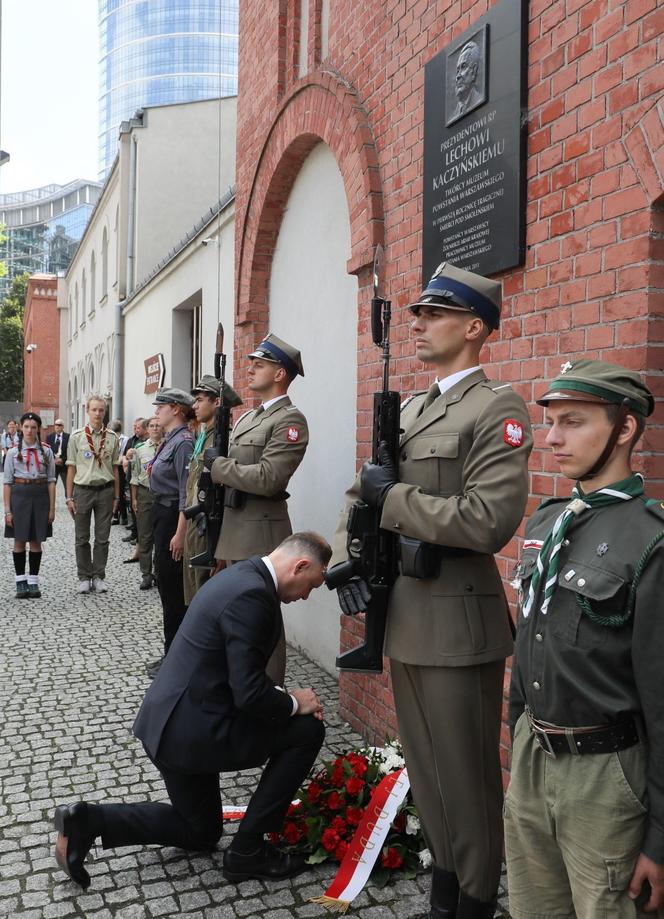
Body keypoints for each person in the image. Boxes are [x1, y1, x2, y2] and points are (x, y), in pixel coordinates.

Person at [331, 262, 532, 919]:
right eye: (417, 313)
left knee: (467, 778)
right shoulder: (413, 407)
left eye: (435, 313)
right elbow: (362, 493)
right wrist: (345, 556)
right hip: (409, 617)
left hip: (458, 623)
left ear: (475, 328)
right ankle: (444, 897)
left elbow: (486, 520)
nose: (418, 322)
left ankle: (476, 903)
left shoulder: (495, 407)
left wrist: (395, 499)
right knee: (427, 770)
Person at [52, 532, 330, 890]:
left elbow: (229, 672)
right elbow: (248, 693)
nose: (307, 595)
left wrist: (281, 697)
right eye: (312, 585)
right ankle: (248, 851)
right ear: (301, 565)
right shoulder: (254, 596)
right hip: (194, 731)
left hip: (168, 726)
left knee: (201, 831)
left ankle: (88, 821)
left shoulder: (240, 574)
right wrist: (295, 703)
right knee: (307, 731)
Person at [506, 360, 664, 918]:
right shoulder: (547, 523)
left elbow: (661, 700)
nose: (552, 438)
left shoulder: (649, 540)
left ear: (624, 429)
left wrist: (660, 840)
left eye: (572, 422)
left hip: (605, 775)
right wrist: (519, 733)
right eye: (551, 421)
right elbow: (530, 637)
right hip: (533, 756)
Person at [205, 333, 309, 685]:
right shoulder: (249, 417)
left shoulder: (290, 421)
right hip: (235, 532)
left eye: (259, 364)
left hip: (260, 536)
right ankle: (242, 692)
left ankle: (269, 695)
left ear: (280, 373)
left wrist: (217, 467)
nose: (250, 369)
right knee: (237, 621)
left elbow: (269, 478)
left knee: (262, 622)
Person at [148, 388, 195, 675]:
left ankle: (177, 660)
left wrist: (180, 534)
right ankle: (171, 654)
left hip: (172, 520)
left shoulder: (183, 443)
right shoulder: (171, 440)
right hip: (161, 514)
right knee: (166, 587)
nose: (156, 411)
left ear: (176, 409)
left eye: (161, 406)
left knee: (174, 591)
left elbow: (185, 494)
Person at [184, 375, 242, 605]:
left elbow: (225, 494)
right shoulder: (203, 437)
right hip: (196, 523)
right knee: (194, 594)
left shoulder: (223, 441)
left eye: (199, 400)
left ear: (216, 402)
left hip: (209, 528)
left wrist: (220, 546)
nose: (194, 406)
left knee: (206, 598)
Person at [66, 395, 121, 595]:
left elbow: (115, 470)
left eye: (101, 410)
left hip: (105, 491)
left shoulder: (113, 438)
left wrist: (116, 497)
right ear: (87, 411)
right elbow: (71, 469)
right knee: (81, 537)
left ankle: (98, 576)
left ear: (105, 412)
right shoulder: (77, 437)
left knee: (102, 537)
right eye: (94, 410)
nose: (98, 413)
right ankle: (83, 576)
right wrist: (69, 497)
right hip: (82, 491)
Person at [3, 412, 56, 598]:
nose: (29, 430)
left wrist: (52, 508)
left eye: (33, 427)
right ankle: (20, 582)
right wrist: (7, 511)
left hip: (40, 497)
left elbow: (51, 480)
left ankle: (33, 581)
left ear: (38, 429)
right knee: (19, 540)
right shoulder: (12, 452)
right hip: (20, 497)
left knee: (36, 540)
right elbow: (7, 482)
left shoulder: (47, 451)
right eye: (26, 426)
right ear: (21, 427)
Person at [130, 417, 162, 590]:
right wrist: (134, 499)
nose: (155, 428)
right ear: (147, 429)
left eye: (158, 425)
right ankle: (146, 574)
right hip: (144, 493)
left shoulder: (168, 447)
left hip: (163, 495)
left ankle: (159, 572)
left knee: (162, 535)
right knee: (145, 535)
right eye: (152, 425)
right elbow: (135, 477)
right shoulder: (139, 450)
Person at [451, 41, 483, 121]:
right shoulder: (453, 115)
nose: (458, 76)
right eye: (458, 70)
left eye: (464, 67)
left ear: (474, 70)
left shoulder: (479, 99)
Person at [46, 419, 70, 492]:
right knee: (51, 485)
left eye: (59, 425)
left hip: (64, 466)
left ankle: (68, 499)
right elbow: (47, 451)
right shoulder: (49, 437)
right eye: (56, 425)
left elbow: (69, 451)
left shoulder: (68, 437)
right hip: (53, 466)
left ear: (63, 427)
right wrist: (53, 460)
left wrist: (62, 459)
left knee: (68, 486)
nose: (57, 427)